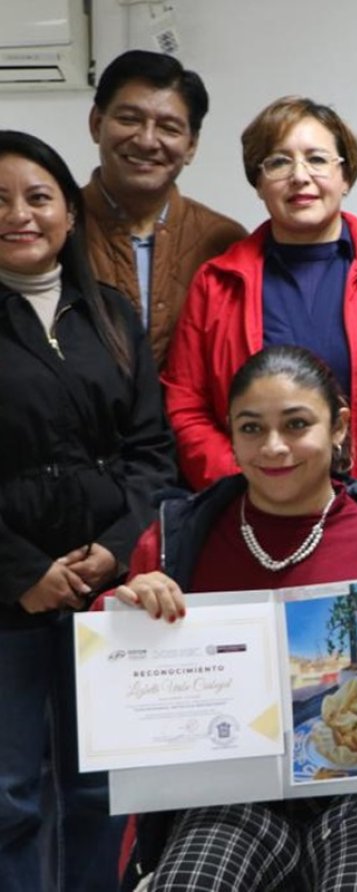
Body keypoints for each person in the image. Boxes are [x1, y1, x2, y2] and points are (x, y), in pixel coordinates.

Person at [109, 345, 357, 891]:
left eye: (297, 424)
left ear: (339, 427)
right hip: (224, 795)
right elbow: (114, 699)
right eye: (251, 428)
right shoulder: (175, 543)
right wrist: (123, 611)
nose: (273, 447)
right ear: (229, 435)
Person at [0, 130, 176, 891]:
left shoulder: (110, 313)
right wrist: (24, 572)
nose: (19, 214)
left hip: (108, 593)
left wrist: (115, 548)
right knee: (10, 795)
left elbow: (153, 454)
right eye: (0, 201)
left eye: (38, 197)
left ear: (69, 213)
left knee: (102, 787)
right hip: (10, 597)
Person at [163, 96, 357, 500]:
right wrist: (251, 488)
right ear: (258, 182)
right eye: (278, 161)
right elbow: (186, 407)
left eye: (318, 159)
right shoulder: (216, 283)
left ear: (346, 176)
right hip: (251, 517)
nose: (300, 176)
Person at [84, 50, 247, 367]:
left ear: (191, 146)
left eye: (169, 128)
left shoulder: (225, 241)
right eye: (129, 119)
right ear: (96, 123)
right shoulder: (55, 229)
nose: (146, 141)